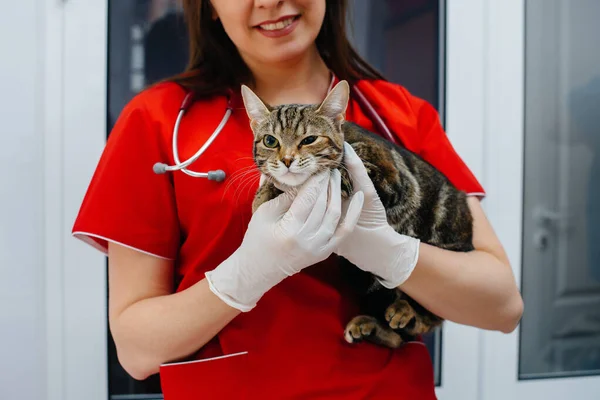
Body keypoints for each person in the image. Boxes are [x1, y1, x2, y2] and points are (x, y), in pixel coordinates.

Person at [72, 1, 524, 398]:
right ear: (208, 4)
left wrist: (388, 252)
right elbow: (136, 350)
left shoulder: (398, 115)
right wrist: (244, 275)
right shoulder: (158, 122)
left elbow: (502, 307)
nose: (270, 1)